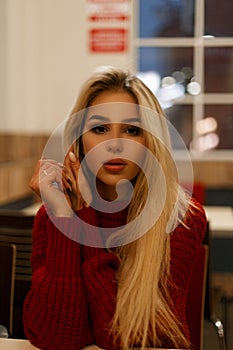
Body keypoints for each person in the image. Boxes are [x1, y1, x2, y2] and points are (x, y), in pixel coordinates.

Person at [23, 66, 207, 350]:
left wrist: (83, 223)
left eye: (132, 130)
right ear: (78, 141)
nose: (115, 144)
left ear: (151, 141)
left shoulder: (181, 219)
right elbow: (57, 339)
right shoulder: (53, 215)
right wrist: (66, 218)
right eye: (99, 129)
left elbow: (125, 340)